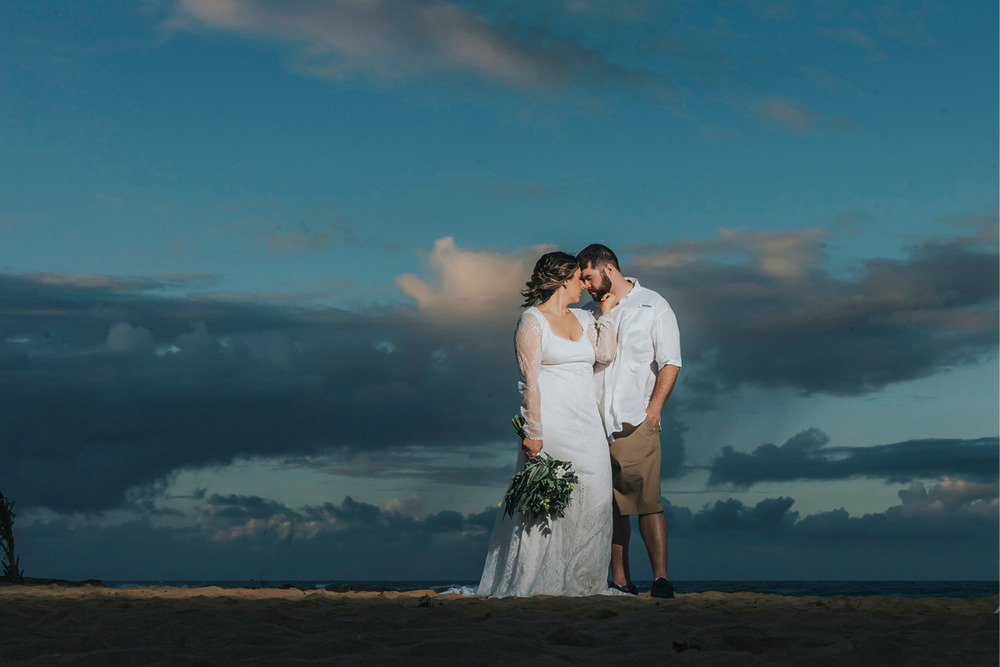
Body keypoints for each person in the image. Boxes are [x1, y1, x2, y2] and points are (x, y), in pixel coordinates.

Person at [476, 251, 620, 597]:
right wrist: (533, 432)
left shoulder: (585, 320)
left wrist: (607, 316)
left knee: (597, 499)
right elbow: (530, 381)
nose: (584, 286)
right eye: (578, 280)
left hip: (589, 427)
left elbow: (604, 355)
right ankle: (538, 583)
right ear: (563, 280)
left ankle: (584, 583)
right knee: (549, 506)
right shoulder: (532, 320)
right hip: (551, 426)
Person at [577, 244, 681, 599]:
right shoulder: (587, 314)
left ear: (608, 268)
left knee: (647, 502)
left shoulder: (654, 305)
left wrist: (654, 410)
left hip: (636, 419)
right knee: (610, 507)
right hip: (592, 424)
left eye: (588, 277)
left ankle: (661, 579)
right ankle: (620, 581)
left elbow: (671, 361)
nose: (586, 286)